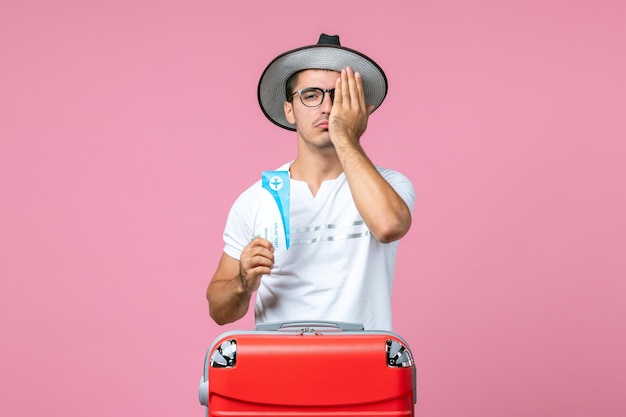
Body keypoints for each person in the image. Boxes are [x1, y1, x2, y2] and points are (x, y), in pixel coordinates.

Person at [206, 34, 415, 331]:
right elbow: (218, 310)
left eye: (339, 96)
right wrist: (242, 281)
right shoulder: (258, 198)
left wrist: (344, 135)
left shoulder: (390, 184)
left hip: (363, 369)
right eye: (312, 95)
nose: (327, 107)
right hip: (279, 368)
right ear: (289, 110)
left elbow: (388, 226)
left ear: (358, 108)